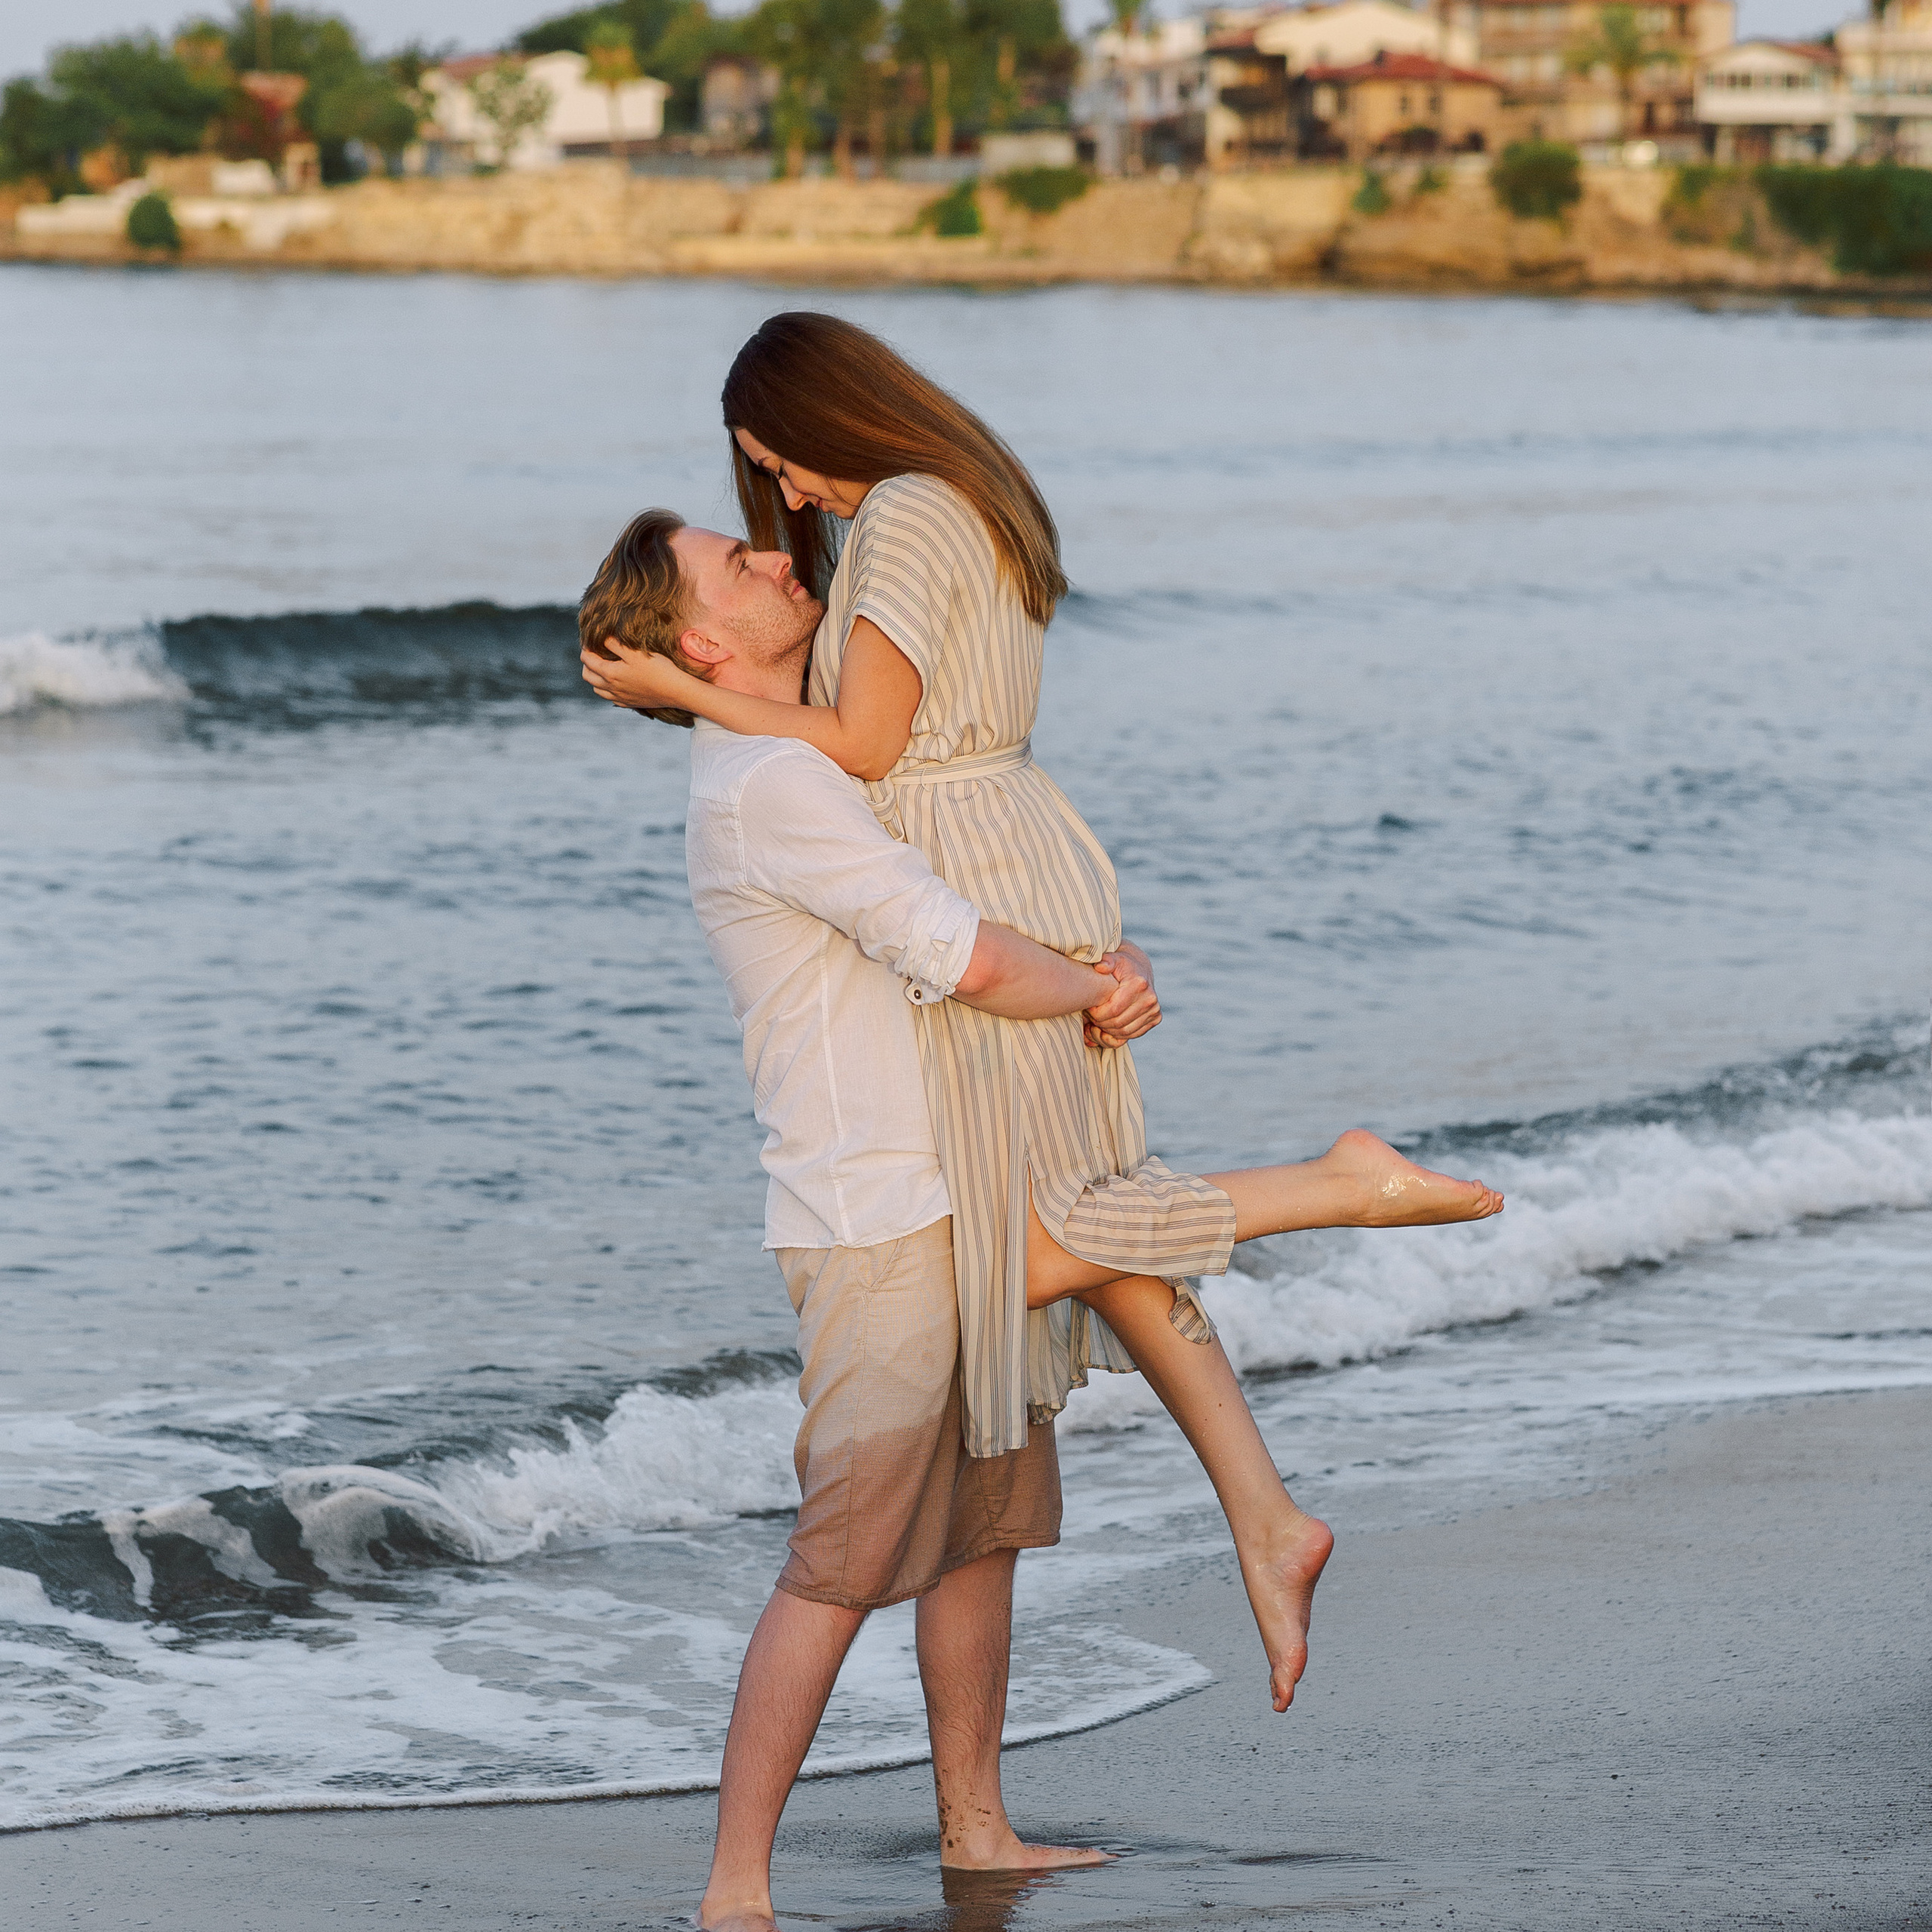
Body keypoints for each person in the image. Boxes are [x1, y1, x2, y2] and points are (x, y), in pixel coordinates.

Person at [577, 509, 1499, 1929]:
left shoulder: (807, 755)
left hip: (960, 1173)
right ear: (700, 642)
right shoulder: (771, 784)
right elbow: (950, 949)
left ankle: (978, 1829)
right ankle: (733, 1893)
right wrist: (1092, 991)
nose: (775, 557)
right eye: (735, 564)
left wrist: (1090, 960)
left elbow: (972, 886)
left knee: (982, 1530)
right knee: (837, 1569)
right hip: (878, 1212)